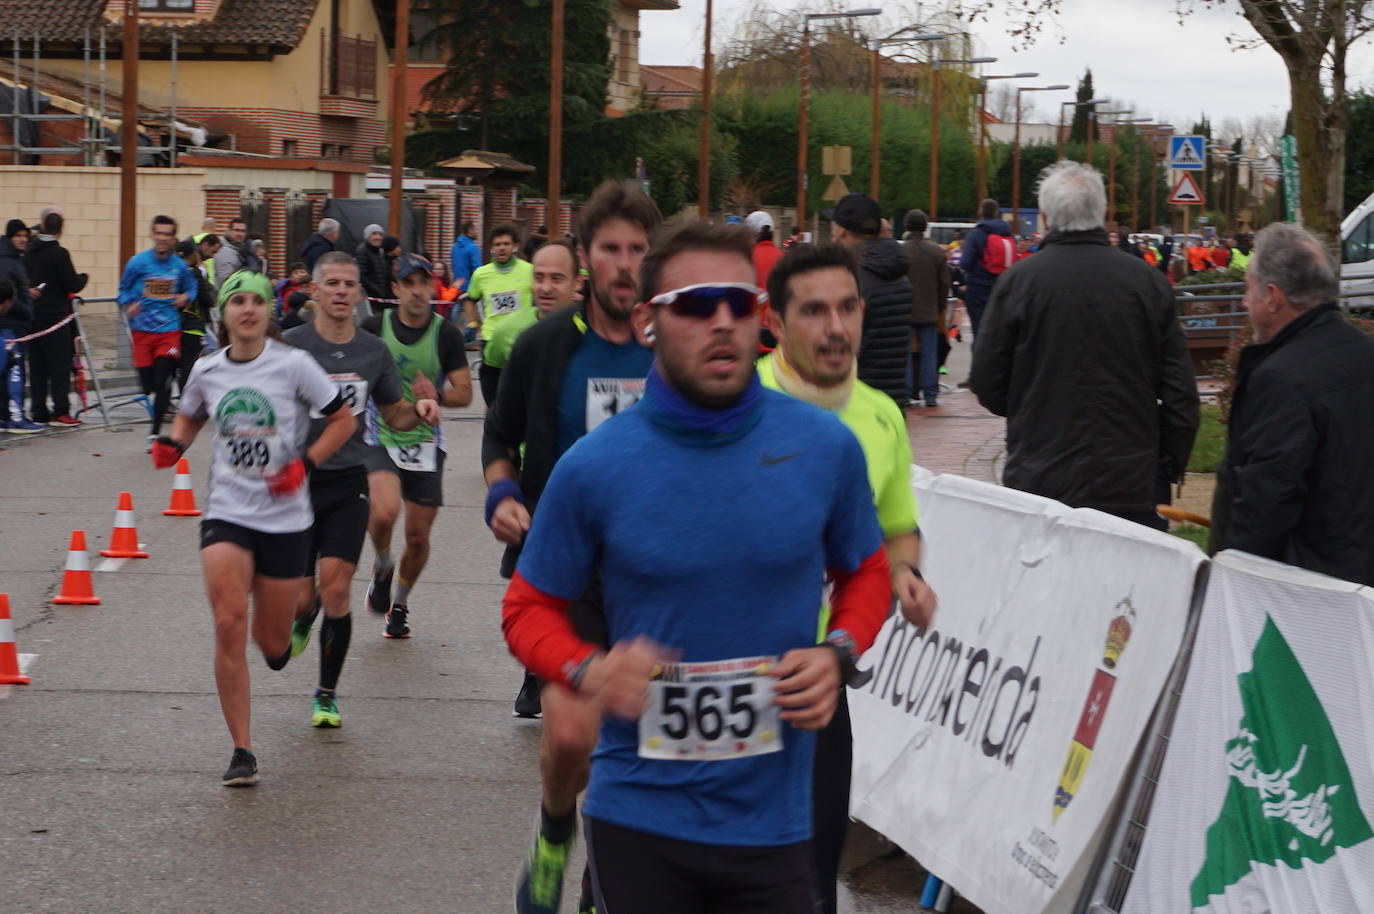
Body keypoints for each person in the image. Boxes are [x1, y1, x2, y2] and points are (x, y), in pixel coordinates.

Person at [501, 219, 892, 913]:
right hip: (640, 814)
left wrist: (838, 650)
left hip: (777, 823)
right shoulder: (594, 467)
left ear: (760, 316)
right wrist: (590, 670)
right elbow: (527, 608)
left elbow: (866, 572)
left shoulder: (823, 447)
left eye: (738, 303)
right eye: (696, 304)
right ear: (648, 322)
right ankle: (555, 836)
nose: (722, 322)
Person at [483, 181, 658, 914]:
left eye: (639, 249)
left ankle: (597, 882)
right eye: (611, 248)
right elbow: (500, 435)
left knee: (641, 744)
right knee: (567, 735)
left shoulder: (676, 345)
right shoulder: (545, 345)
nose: (625, 264)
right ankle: (556, 829)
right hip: (570, 570)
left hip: (657, 575)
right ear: (587, 257)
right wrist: (501, 494)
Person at [758, 241, 937, 912]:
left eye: (846, 308)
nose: (835, 327)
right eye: (813, 311)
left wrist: (906, 573)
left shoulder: (882, 414)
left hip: (821, 675)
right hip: (724, 671)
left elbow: (896, 527)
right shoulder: (739, 399)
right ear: (774, 322)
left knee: (813, 876)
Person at [150, 270, 356, 785]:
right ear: (223, 314)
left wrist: (305, 464)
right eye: (237, 301)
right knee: (228, 622)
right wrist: (175, 443)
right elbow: (191, 414)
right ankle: (242, 750)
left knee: (271, 646)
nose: (247, 309)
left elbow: (343, 420)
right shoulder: (208, 368)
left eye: (257, 301)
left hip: (286, 519)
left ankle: (288, 634)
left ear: (269, 311)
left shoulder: (294, 365)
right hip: (229, 513)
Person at [970, 161, 1199, 530]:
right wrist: (1167, 465)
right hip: (1131, 477)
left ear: (1046, 217)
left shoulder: (1019, 283)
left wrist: (1030, 407)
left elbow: (986, 380)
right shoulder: (1148, 283)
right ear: (1102, 212)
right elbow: (1180, 393)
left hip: (1041, 474)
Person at [284, 251, 441, 726]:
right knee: (302, 598)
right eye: (331, 283)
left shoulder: (373, 351)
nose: (340, 291)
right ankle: (303, 612)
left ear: (358, 293)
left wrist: (421, 411)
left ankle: (326, 695)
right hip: (296, 483)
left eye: (348, 284)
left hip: (348, 481)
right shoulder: (290, 346)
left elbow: (393, 413)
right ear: (314, 291)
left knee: (336, 591)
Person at [1210, 223, 1374, 585]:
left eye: (1248, 289)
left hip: (1307, 591)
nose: (1244, 302)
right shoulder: (1365, 354)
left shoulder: (1281, 379)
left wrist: (1230, 580)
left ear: (1272, 296)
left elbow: (1266, 502)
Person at [362, 254, 474, 638]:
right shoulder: (374, 328)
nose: (416, 291)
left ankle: (400, 604)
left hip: (425, 441)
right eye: (408, 283)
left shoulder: (446, 334)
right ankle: (382, 565)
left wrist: (436, 395)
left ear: (432, 287)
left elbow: (465, 393)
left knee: (418, 536)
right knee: (382, 515)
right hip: (380, 435)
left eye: (423, 282)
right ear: (395, 290)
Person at [118, 215, 199, 445]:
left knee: (163, 378)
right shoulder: (138, 263)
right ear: (153, 235)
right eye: (159, 233)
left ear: (173, 238)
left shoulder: (179, 266)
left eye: (167, 234)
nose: (162, 238)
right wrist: (129, 303)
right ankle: (158, 396)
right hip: (142, 332)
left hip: (169, 331)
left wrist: (186, 297)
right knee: (148, 386)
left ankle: (154, 433)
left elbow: (192, 287)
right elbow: (122, 290)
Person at [829, 193, 914, 406]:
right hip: (893, 395)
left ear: (842, 232)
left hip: (858, 397)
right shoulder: (898, 273)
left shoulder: (853, 279)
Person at [25, 211, 88, 426]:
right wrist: (84, 278)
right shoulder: (59, 253)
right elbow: (72, 284)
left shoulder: (29, 252)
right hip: (55, 320)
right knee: (59, 366)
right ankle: (61, 411)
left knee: (37, 368)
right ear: (60, 229)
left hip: (33, 319)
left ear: (42, 226)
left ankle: (39, 411)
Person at [481, 238, 579, 374]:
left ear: (577, 282)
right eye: (538, 278)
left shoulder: (595, 331)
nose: (546, 288)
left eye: (556, 278)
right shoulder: (506, 331)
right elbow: (490, 374)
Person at [465, 223, 534, 406]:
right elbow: (470, 300)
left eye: (506, 244)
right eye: (497, 244)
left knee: (521, 400)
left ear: (515, 246)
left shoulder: (530, 271)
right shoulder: (481, 274)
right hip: (492, 340)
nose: (502, 248)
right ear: (491, 248)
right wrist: (473, 324)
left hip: (522, 341)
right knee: (493, 401)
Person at [902, 209, 951, 408]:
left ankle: (906, 392)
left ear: (906, 226)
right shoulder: (936, 252)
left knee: (905, 353)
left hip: (904, 309)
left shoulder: (900, 251)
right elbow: (944, 283)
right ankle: (930, 393)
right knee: (929, 353)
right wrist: (939, 306)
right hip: (929, 310)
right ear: (925, 227)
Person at [0, 219, 43, 433]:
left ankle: (4, 416)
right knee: (15, 372)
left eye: (25, 235)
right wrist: (26, 309)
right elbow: (7, 293)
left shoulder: (15, 258)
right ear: (10, 238)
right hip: (11, 325)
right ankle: (16, 417)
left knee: (5, 372)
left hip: (13, 325)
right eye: (18, 235)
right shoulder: (7, 262)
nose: (23, 239)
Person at [958, 198, 1015, 338]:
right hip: (1002, 286)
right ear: (996, 212)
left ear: (980, 212)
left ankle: (980, 351)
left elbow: (966, 263)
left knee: (979, 330)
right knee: (998, 330)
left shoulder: (976, 234)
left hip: (978, 288)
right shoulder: (1007, 233)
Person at [173, 239, 216, 394]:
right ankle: (187, 398)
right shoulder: (194, 272)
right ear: (192, 254)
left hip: (174, 325)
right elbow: (206, 298)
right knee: (189, 365)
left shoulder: (174, 272)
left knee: (179, 365)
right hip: (193, 325)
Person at [212, 219, 260, 287]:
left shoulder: (239, 249)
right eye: (236, 230)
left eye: (243, 231)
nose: (240, 234)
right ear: (229, 231)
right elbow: (225, 280)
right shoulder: (225, 252)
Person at [355, 224, 390, 307]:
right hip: (369, 299)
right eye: (374, 234)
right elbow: (361, 276)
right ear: (367, 236)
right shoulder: (363, 251)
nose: (378, 237)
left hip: (380, 298)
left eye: (380, 234)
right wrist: (377, 290)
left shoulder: (380, 252)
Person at [449, 219, 483, 293]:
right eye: (476, 229)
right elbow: (477, 270)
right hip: (470, 289)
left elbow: (453, 267)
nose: (477, 232)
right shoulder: (473, 247)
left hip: (456, 287)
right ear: (470, 230)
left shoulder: (454, 247)